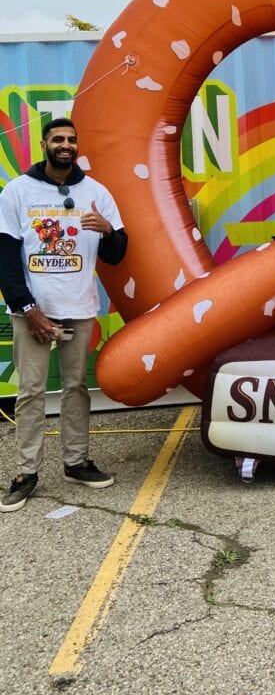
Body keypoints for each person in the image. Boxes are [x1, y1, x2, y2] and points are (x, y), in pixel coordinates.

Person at [0, 117, 128, 512]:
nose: (66, 145)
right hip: (33, 313)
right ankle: (27, 473)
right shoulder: (18, 192)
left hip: (79, 308)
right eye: (58, 139)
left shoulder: (96, 192)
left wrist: (108, 231)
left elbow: (117, 253)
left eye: (72, 139)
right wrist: (27, 308)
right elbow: (5, 258)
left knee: (75, 388)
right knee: (31, 393)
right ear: (44, 144)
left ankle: (77, 462)